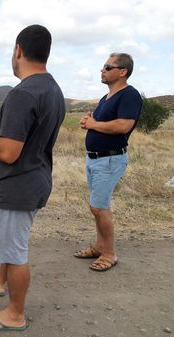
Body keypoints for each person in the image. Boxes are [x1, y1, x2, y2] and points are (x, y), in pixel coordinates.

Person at [0, 25, 65, 331]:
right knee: (11, 242)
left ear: (18, 51)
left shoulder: (22, 93)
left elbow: (10, 152)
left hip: (18, 185)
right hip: (36, 179)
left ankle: (15, 313)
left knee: (14, 251)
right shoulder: (52, 88)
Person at [75, 53, 141, 271]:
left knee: (99, 207)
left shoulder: (129, 95)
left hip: (110, 159)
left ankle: (110, 254)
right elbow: (100, 122)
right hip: (95, 159)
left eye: (107, 67)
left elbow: (123, 125)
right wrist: (89, 122)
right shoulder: (106, 98)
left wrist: (94, 125)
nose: (102, 70)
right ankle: (100, 246)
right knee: (98, 208)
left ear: (122, 71)